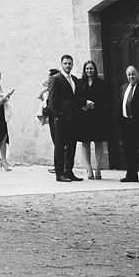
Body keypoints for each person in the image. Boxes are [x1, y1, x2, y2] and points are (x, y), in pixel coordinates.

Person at [49, 54, 81, 182]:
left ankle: (69, 171)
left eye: (70, 63)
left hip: (73, 118)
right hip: (61, 119)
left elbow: (76, 98)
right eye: (65, 63)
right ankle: (59, 173)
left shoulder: (74, 79)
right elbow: (52, 100)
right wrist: (58, 116)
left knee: (72, 145)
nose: (68, 66)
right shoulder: (56, 79)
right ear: (61, 64)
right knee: (60, 146)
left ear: (72, 64)